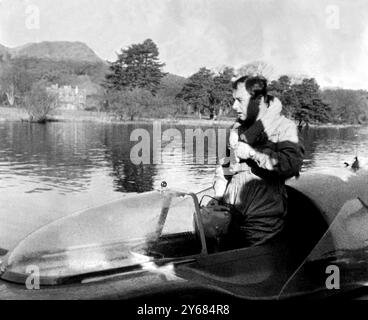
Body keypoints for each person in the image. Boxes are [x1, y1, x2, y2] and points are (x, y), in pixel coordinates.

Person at [213, 75, 304, 248]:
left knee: (251, 265)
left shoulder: (285, 128)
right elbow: (225, 166)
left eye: (239, 100)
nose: (233, 106)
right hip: (231, 214)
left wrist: (253, 154)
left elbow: (292, 165)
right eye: (234, 100)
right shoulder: (238, 129)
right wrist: (217, 196)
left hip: (263, 220)